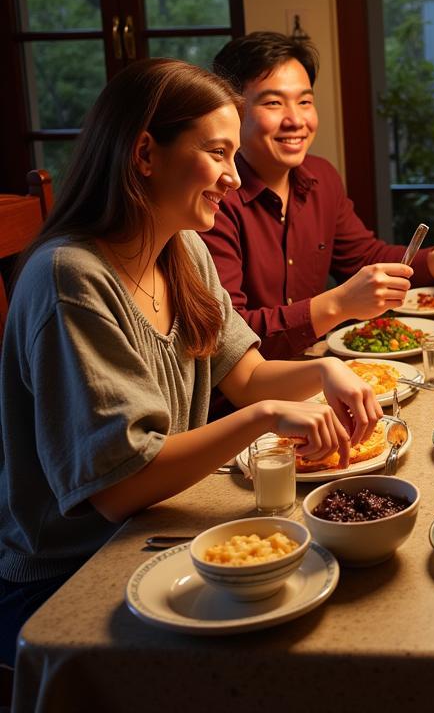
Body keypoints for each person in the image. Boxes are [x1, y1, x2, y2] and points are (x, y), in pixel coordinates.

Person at [0, 59, 382, 666]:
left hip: (152, 535)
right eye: (218, 153)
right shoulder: (69, 277)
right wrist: (264, 419)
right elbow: (122, 486)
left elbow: (249, 376)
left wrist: (323, 372)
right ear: (145, 153)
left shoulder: (185, 251)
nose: (233, 177)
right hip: (64, 576)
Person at [202, 33, 434, 361]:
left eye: (305, 101)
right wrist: (337, 304)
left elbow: (365, 257)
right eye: (273, 103)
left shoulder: (320, 178)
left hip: (316, 366)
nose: (296, 120)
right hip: (249, 394)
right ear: (232, 110)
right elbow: (230, 334)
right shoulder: (213, 199)